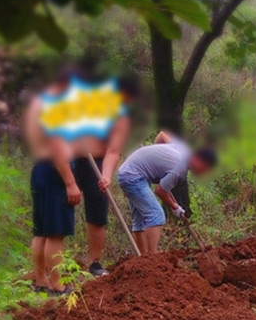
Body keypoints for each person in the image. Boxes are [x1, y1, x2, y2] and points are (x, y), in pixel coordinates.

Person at [70, 76, 137, 277]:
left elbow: (113, 150)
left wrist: (106, 176)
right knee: (60, 203)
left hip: (97, 164)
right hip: (70, 160)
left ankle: (94, 263)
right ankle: (54, 260)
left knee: (98, 207)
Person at [23, 74, 80, 295]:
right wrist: (71, 182)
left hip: (41, 171)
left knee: (41, 232)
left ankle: (41, 280)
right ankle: (56, 285)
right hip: (54, 174)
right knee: (55, 233)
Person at [117, 131, 217, 255]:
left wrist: (156, 153)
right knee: (156, 215)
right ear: (198, 160)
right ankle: (152, 259)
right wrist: (175, 207)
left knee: (140, 221)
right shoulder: (180, 169)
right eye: (205, 169)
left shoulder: (183, 149)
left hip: (130, 172)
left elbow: (162, 135)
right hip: (133, 176)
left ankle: (142, 260)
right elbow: (160, 191)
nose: (203, 174)